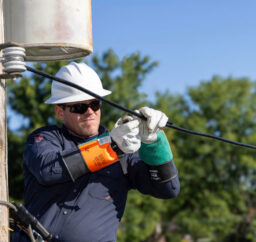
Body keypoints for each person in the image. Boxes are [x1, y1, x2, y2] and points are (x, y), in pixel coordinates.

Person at [11, 62, 180, 242]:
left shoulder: (123, 150)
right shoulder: (45, 138)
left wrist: (154, 142)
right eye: (79, 107)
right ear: (60, 112)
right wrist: (111, 146)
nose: (90, 112)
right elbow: (49, 170)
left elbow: (168, 189)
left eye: (95, 104)